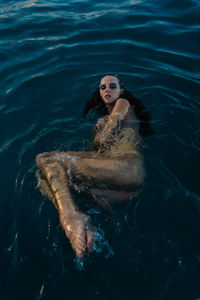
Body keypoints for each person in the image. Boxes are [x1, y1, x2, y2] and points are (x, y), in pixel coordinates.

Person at [35, 74, 154, 258]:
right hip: (118, 185)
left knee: (45, 159)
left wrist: (102, 132)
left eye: (112, 86)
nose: (107, 90)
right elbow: (95, 160)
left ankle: (69, 217)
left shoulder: (123, 103)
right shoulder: (100, 124)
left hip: (127, 166)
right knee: (44, 177)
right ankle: (87, 228)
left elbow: (113, 123)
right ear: (99, 92)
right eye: (103, 87)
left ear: (121, 90)